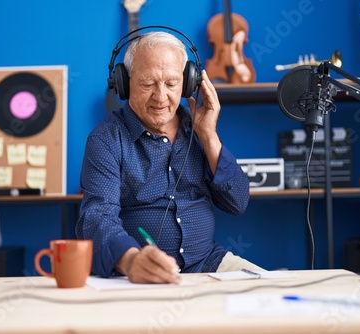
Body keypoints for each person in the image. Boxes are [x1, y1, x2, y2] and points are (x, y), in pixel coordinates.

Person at [76, 31, 263, 284]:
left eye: (172, 84)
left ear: (188, 83)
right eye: (147, 83)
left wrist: (209, 136)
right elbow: (97, 218)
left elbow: (237, 202)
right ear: (124, 83)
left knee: (274, 303)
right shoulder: (106, 140)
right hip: (137, 272)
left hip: (208, 264)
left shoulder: (199, 128)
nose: (161, 97)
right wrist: (131, 260)